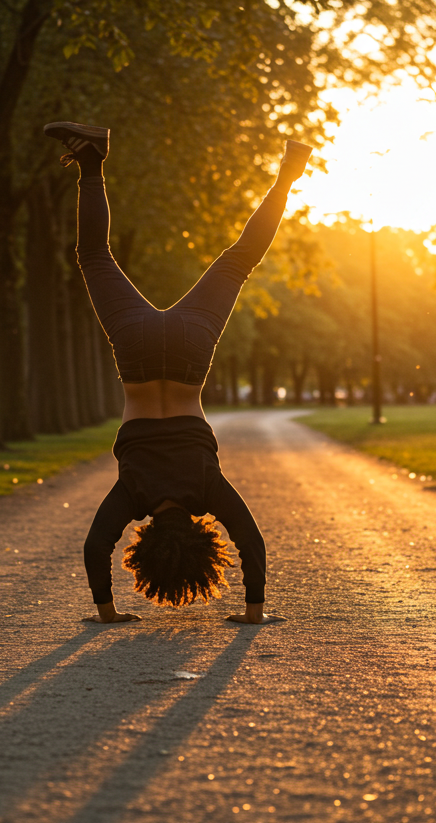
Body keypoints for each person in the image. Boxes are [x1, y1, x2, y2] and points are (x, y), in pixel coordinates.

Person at [45, 120, 311, 625]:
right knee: (94, 257)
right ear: (145, 543)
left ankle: (288, 175)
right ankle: (91, 163)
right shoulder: (134, 494)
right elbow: (96, 544)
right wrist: (107, 613)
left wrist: (255, 611)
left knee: (238, 261)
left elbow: (250, 540)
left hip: (190, 351)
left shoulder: (206, 488)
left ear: (196, 536)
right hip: (137, 350)